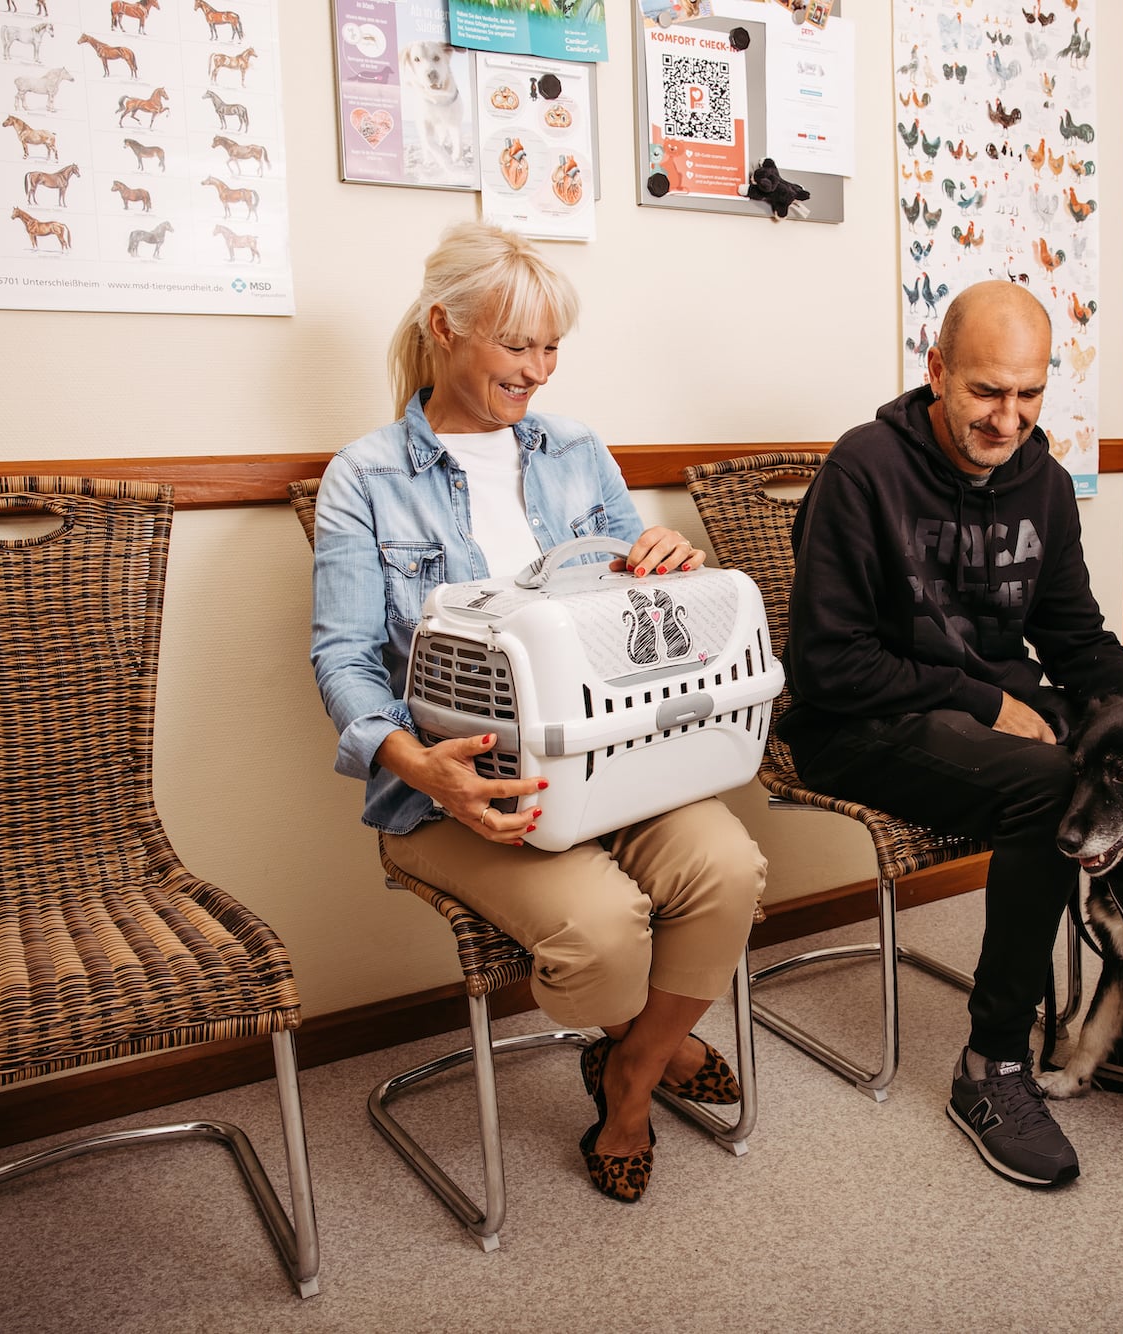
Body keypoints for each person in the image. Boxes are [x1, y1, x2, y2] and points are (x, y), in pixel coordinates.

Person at [310, 219, 766, 1204]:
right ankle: (645, 1041)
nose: (539, 369)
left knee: (730, 864)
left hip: (614, 765)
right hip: (452, 790)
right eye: (517, 344)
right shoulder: (366, 478)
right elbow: (342, 656)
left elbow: (637, 611)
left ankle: (632, 1072)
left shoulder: (576, 451)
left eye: (551, 345)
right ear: (444, 326)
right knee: (603, 928)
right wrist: (418, 763)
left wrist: (662, 564)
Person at [780, 281, 1123, 1188]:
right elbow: (826, 663)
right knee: (1056, 790)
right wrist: (983, 702)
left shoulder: (1043, 482)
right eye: (987, 391)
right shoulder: (863, 469)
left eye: (1028, 394)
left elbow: (1076, 641)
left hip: (988, 714)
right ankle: (992, 1063)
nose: (1009, 417)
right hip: (856, 724)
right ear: (937, 370)